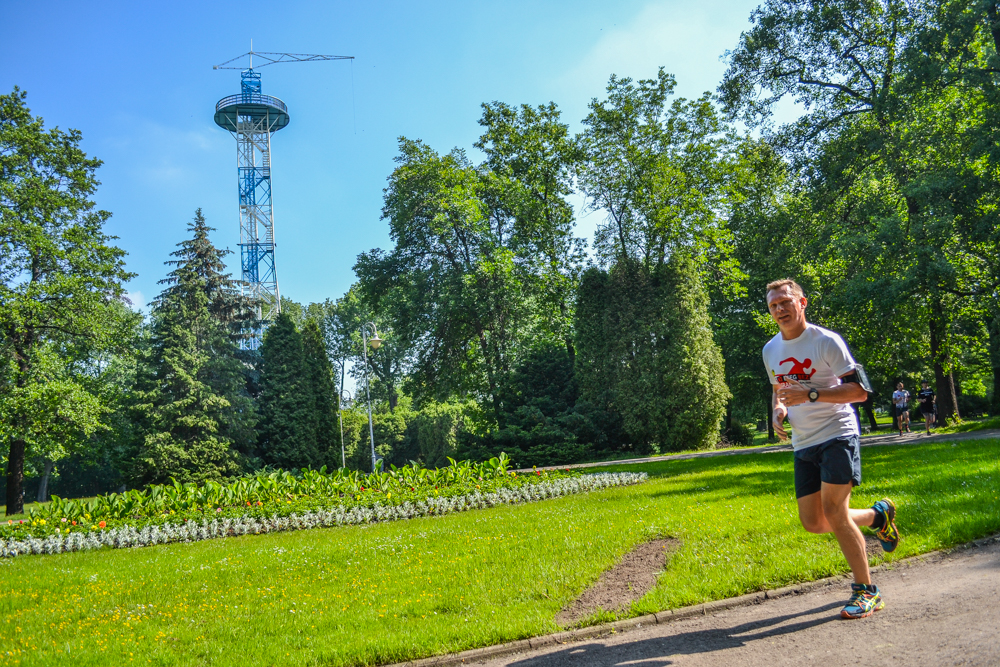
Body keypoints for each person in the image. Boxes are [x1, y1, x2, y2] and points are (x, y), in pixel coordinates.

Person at [763, 279, 900, 620]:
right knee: (813, 522)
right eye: (773, 305)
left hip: (838, 434)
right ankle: (877, 516)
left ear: (802, 303)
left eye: (785, 302)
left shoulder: (826, 341)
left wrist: (811, 394)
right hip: (803, 442)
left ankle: (867, 591)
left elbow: (859, 392)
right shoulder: (770, 349)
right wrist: (779, 411)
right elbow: (779, 389)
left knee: (835, 511)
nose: (780, 309)